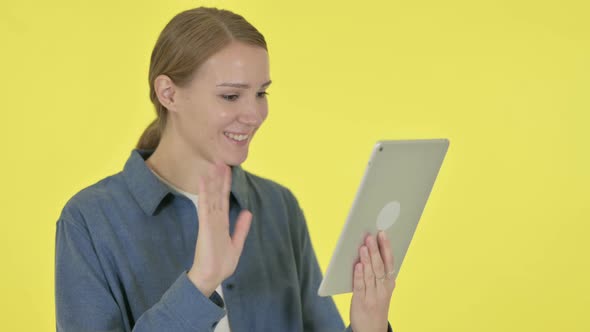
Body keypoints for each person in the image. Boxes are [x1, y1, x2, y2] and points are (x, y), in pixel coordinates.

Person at [55, 7, 396, 332]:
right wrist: (200, 281)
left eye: (261, 93)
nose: (254, 115)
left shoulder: (278, 207)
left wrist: (369, 322)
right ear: (169, 93)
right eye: (231, 96)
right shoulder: (89, 221)